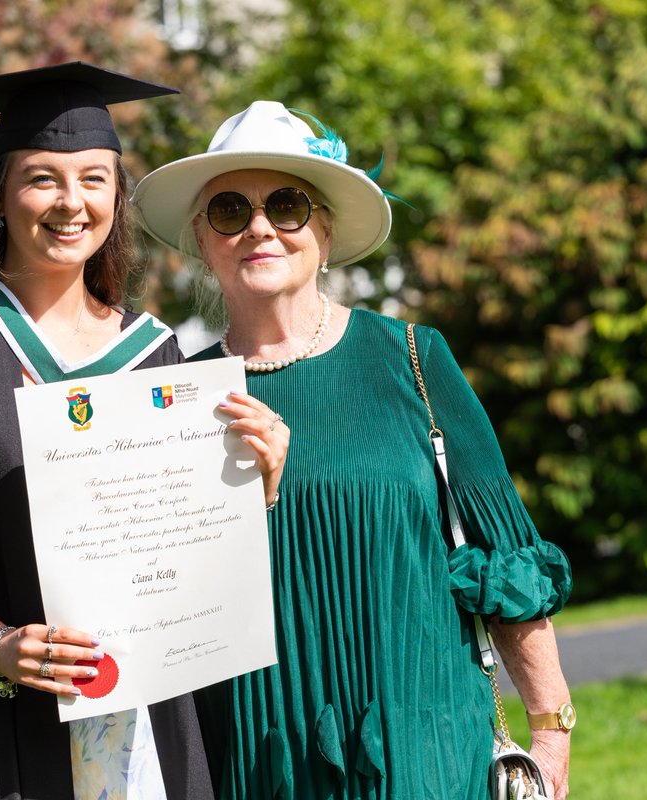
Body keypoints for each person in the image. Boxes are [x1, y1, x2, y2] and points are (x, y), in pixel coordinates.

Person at [0, 64, 288, 800]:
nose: (73, 202)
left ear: (116, 199)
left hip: (130, 716)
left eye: (95, 180)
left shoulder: (154, 354)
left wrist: (253, 487)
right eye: (43, 179)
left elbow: (189, 549)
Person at [132, 101, 576, 799]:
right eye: (229, 210)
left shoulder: (414, 359)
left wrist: (550, 729)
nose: (259, 228)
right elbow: (160, 603)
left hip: (423, 747)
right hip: (261, 755)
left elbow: (506, 560)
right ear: (202, 239)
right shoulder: (174, 400)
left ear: (326, 229)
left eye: (287, 206)